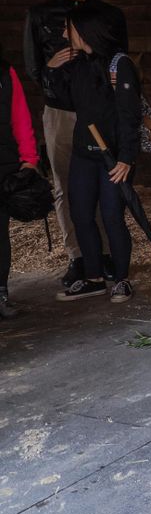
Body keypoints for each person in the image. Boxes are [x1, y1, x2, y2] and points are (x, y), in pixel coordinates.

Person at [24, 0, 128, 288]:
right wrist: (49, 68)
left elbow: (121, 62)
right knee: (65, 186)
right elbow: (32, 67)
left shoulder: (109, 15)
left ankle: (108, 254)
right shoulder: (40, 15)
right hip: (62, 111)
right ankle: (79, 256)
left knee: (104, 183)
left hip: (100, 112)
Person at [50, 15, 140, 303]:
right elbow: (61, 97)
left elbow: (129, 115)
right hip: (83, 153)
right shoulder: (77, 64)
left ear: (87, 30)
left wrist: (126, 158)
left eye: (69, 27)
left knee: (112, 216)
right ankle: (93, 278)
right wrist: (52, 69)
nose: (65, 34)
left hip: (111, 156)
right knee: (81, 214)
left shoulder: (119, 65)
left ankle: (122, 280)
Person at [0, 52, 41, 319]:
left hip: (4, 163)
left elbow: (20, 117)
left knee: (0, 232)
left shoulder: (5, 72)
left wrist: (29, 158)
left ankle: (1, 293)